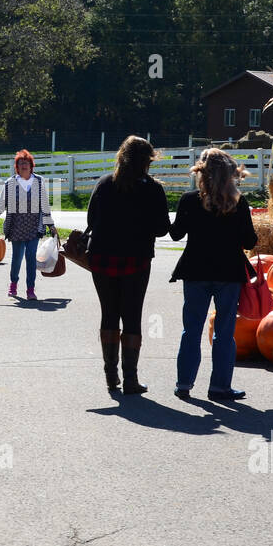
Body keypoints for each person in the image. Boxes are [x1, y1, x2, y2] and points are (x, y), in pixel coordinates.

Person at [169, 149, 257, 404]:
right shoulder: (237, 202)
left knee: (191, 330)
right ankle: (219, 387)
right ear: (231, 175)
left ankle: (184, 383)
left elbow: (175, 234)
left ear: (202, 173)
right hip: (228, 273)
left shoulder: (188, 200)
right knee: (224, 332)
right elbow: (249, 239)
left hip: (195, 271)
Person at [86, 136, 170, 394]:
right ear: (147, 161)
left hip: (101, 258)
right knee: (131, 316)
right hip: (136, 260)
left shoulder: (104, 184)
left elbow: (91, 217)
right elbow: (162, 229)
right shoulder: (153, 189)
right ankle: (130, 380)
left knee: (108, 313)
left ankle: (111, 376)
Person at [0, 149, 55, 300]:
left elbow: (45, 204)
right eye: (20, 163)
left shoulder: (39, 181)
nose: (24, 165)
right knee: (17, 258)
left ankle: (30, 289)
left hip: (34, 227)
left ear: (31, 166)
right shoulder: (10, 183)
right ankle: (13, 284)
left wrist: (51, 225)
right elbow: (1, 204)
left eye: (26, 163)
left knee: (30, 258)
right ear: (17, 167)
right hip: (16, 227)